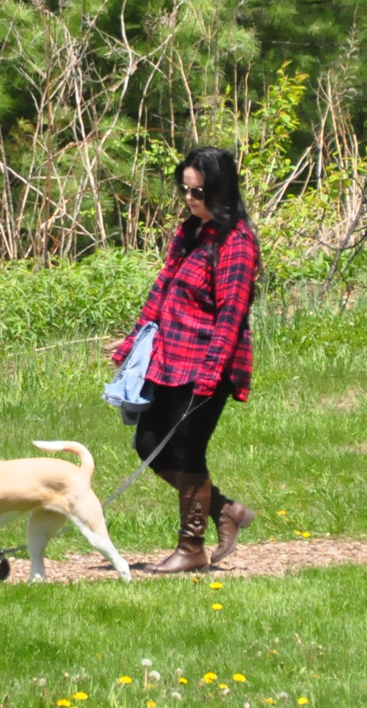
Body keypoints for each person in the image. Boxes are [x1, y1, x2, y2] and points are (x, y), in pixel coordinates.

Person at [109, 146, 260, 573]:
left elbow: (231, 314)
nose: (191, 200)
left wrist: (211, 374)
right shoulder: (190, 232)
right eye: (187, 191)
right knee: (148, 443)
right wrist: (129, 346)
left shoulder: (237, 242)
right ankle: (224, 509)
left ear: (222, 190)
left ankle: (191, 547)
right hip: (170, 360)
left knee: (187, 450)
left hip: (209, 365)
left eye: (200, 193)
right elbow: (161, 292)